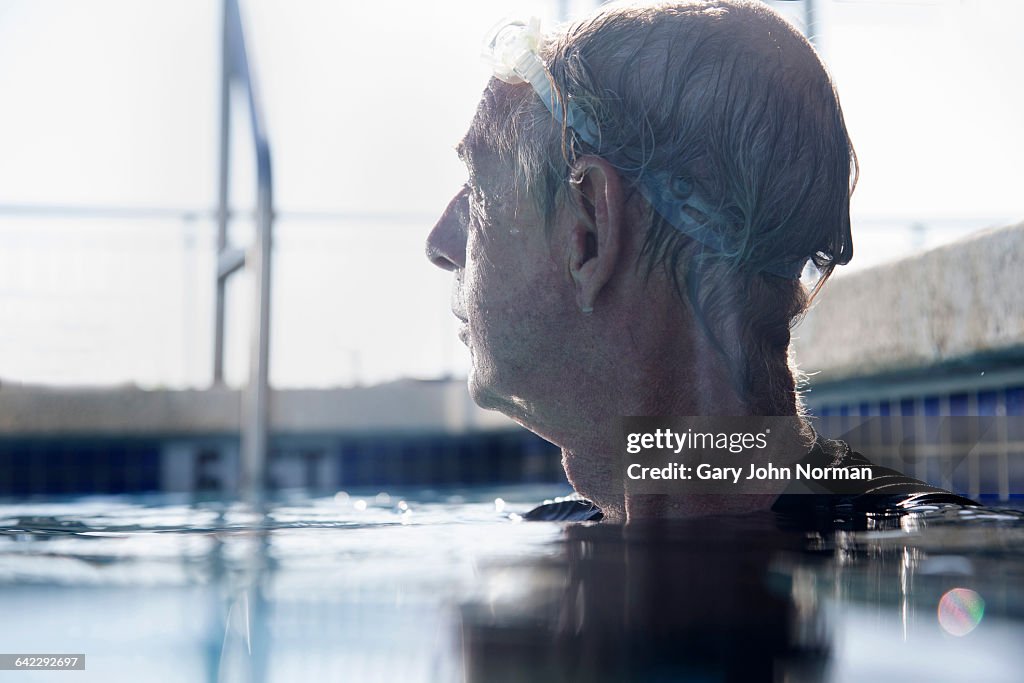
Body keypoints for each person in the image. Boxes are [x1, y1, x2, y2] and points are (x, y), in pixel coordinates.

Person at [425, 0, 972, 521]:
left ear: (589, 232)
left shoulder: (921, 557)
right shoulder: (906, 563)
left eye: (477, 185)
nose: (440, 244)